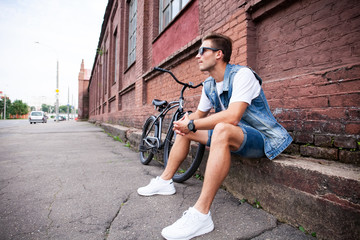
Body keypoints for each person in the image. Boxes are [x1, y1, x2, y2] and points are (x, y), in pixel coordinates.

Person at [137, 33, 292, 240]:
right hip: (234, 136)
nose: (197, 56)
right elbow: (198, 116)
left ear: (219, 54)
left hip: (263, 139)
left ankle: (201, 214)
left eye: (203, 51)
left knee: (220, 127)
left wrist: (192, 123)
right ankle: (165, 181)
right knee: (187, 128)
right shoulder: (209, 85)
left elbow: (233, 116)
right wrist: (184, 123)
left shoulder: (242, 75)